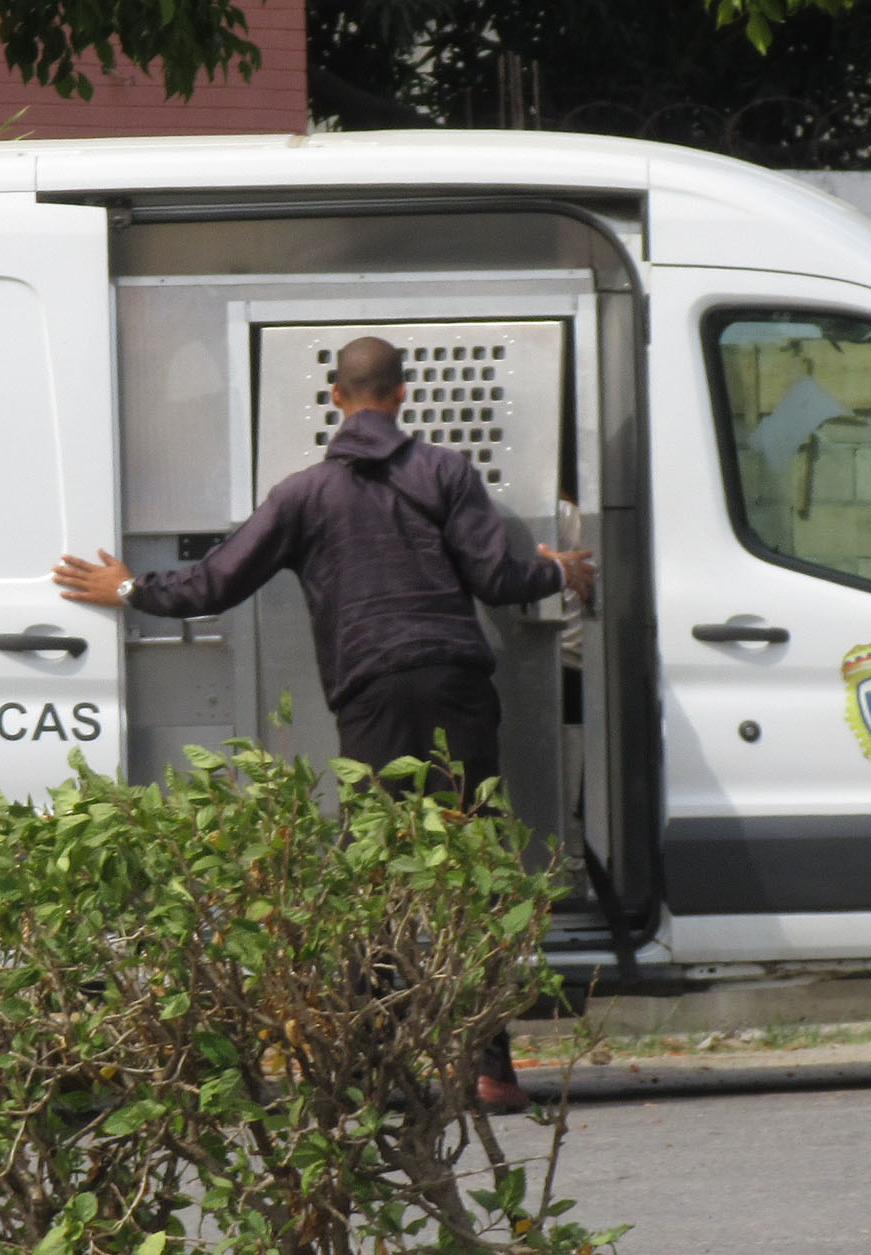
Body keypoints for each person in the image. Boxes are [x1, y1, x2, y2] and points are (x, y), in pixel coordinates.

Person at [52, 334, 594, 1114]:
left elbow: (217, 579)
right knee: (469, 870)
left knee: (375, 874)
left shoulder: (302, 494)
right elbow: (497, 578)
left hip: (372, 697)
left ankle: (369, 1063)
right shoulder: (446, 471)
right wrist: (560, 569)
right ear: (404, 394)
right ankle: (487, 1068)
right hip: (456, 686)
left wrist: (130, 585)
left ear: (335, 398)